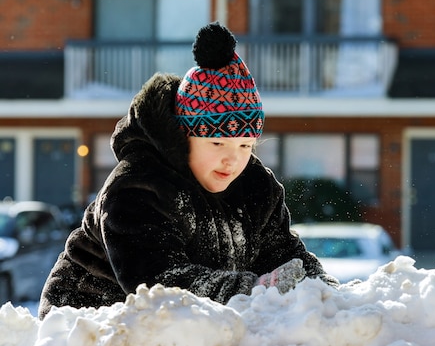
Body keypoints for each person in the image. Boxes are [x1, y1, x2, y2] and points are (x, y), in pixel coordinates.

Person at [38, 22, 339, 319]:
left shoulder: (257, 189)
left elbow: (284, 253)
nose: (232, 160)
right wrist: (256, 290)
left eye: (245, 146)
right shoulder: (138, 188)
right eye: (218, 143)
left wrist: (324, 291)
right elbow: (159, 282)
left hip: (188, 332)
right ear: (184, 138)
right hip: (90, 323)